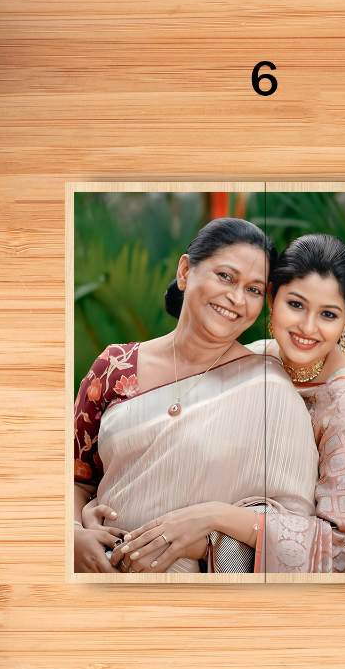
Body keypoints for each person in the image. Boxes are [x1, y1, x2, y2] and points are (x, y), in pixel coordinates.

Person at [115, 233, 345, 574]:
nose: (307, 327)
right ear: (271, 298)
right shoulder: (255, 358)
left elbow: (338, 549)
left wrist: (214, 521)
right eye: (295, 305)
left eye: (328, 314)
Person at [73, 218, 320, 573]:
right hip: (99, 587)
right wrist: (72, 535)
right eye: (226, 277)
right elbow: (75, 479)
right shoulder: (114, 366)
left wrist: (208, 539)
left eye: (253, 290)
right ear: (186, 271)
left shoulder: (269, 389)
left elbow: (296, 530)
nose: (236, 299)